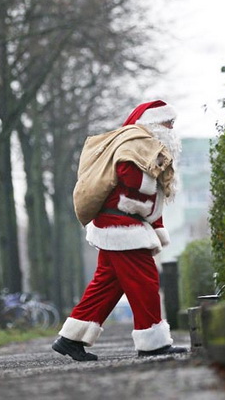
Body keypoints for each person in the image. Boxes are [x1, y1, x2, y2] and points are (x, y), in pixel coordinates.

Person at [52, 100, 187, 361]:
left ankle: (70, 339)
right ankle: (152, 343)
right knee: (145, 282)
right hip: (123, 228)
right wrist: (153, 176)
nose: (172, 127)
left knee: (106, 285)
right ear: (153, 124)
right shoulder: (138, 142)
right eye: (168, 123)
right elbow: (127, 174)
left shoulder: (141, 142)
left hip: (118, 225)